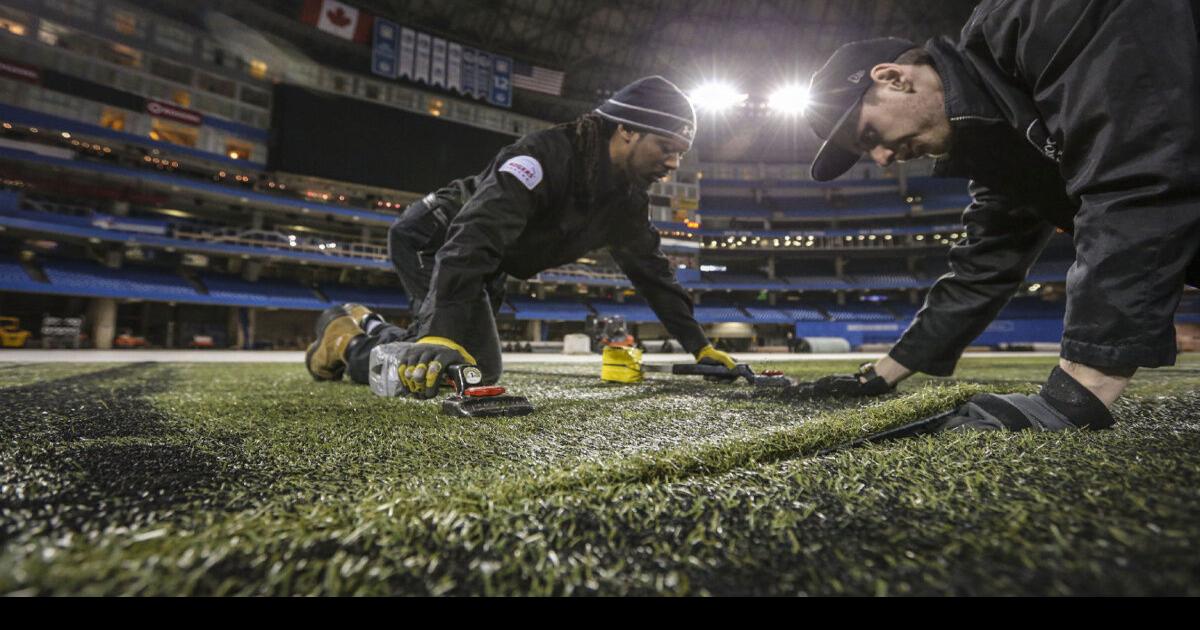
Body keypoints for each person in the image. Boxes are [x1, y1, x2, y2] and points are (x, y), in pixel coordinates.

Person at [801, 1, 1200, 431]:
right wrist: (879, 375)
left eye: (870, 135)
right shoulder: (994, 143)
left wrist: (1081, 391)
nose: (881, 159)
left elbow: (1138, 166)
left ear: (894, 78)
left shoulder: (1039, 16)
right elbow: (983, 267)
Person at [306, 76, 738, 398]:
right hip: (435, 238)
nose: (674, 162)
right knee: (447, 369)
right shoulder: (542, 158)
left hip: (486, 260)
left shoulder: (624, 200)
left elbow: (654, 275)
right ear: (626, 130)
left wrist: (699, 346)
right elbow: (475, 234)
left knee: (470, 363)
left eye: (681, 152)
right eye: (666, 146)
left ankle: (360, 329)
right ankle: (346, 343)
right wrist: (442, 331)